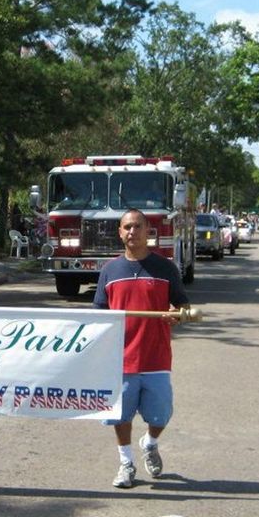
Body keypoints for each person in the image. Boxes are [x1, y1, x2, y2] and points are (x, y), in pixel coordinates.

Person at [93, 208, 190, 489]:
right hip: (121, 359)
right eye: (127, 227)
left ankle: (150, 442)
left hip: (156, 357)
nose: (132, 232)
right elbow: (99, 312)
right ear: (120, 233)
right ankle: (126, 463)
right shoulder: (110, 270)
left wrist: (178, 313)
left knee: (161, 414)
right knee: (120, 417)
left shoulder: (165, 268)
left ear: (149, 231)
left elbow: (182, 305)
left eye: (138, 227)